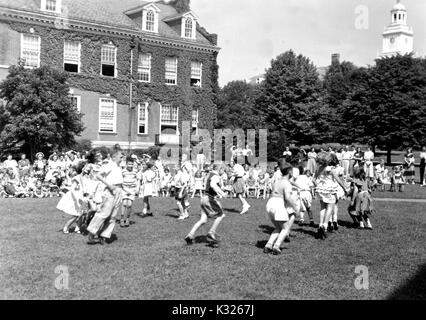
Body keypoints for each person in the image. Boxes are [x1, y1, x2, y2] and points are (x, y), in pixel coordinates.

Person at [87, 150, 124, 245]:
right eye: (120, 157)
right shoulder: (109, 165)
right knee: (104, 213)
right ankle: (91, 233)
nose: (122, 158)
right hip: (110, 191)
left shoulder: (118, 167)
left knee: (113, 216)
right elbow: (98, 176)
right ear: (114, 157)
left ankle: (104, 235)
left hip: (118, 191)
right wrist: (110, 185)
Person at [185, 164, 227, 247]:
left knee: (203, 220)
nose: (223, 172)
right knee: (221, 215)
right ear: (219, 169)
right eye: (223, 170)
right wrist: (221, 193)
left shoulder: (209, 175)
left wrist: (225, 189)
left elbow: (211, 186)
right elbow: (213, 185)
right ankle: (212, 232)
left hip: (203, 198)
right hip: (209, 199)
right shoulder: (215, 176)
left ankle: (190, 235)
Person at [264, 159, 299, 255]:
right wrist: (295, 206)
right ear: (290, 172)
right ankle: (276, 246)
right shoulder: (287, 183)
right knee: (286, 228)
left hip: (270, 203)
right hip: (278, 204)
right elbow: (287, 198)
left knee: (278, 227)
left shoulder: (277, 181)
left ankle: (268, 244)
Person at [314, 152, 347, 240]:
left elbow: (314, 180)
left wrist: (318, 185)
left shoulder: (319, 168)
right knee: (330, 207)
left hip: (321, 189)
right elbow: (338, 180)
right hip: (330, 189)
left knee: (322, 208)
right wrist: (344, 188)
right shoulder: (330, 169)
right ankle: (324, 226)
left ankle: (320, 224)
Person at [57, 161, 89, 234]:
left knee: (83, 214)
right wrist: (77, 199)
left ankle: (78, 228)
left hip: (83, 197)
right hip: (76, 197)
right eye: (86, 167)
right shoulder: (77, 177)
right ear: (82, 168)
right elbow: (73, 189)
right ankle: (66, 227)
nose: (88, 169)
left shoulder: (86, 177)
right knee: (76, 215)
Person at [120, 157, 140, 228]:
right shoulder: (123, 171)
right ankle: (122, 219)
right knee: (124, 203)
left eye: (132, 164)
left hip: (132, 189)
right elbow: (121, 180)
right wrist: (124, 189)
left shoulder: (135, 171)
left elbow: (138, 180)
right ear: (126, 164)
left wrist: (137, 189)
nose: (130, 165)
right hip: (124, 189)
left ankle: (127, 219)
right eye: (129, 164)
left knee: (129, 205)